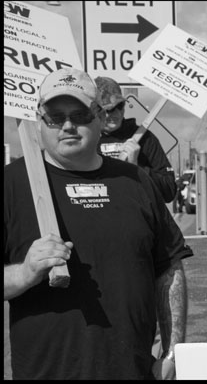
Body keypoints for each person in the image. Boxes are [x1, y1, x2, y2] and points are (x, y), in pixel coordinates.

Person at [4, 68, 192, 380]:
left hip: (133, 371)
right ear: (39, 120)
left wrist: (174, 350)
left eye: (79, 114)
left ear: (99, 119)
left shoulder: (136, 181)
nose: (67, 125)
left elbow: (170, 268)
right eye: (54, 116)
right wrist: (25, 273)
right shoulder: (11, 184)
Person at [95, 76, 177, 203]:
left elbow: (169, 191)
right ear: (95, 110)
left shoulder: (144, 137)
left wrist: (137, 168)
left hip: (137, 217)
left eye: (119, 106)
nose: (115, 114)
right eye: (108, 110)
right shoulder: (86, 140)